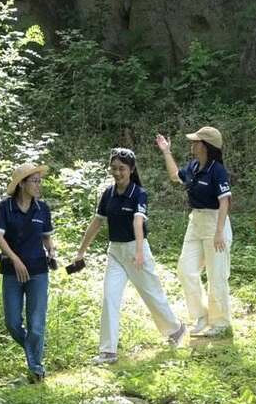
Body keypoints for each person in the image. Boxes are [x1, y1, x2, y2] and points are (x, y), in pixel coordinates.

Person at [69, 148, 187, 363]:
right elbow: (96, 222)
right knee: (109, 297)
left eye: (121, 168)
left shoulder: (138, 193)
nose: (117, 172)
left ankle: (175, 329)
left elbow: (138, 221)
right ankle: (108, 351)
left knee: (152, 294)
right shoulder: (108, 193)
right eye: (113, 168)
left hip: (136, 249)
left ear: (131, 170)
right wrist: (81, 251)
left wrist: (140, 252)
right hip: (115, 252)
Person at [154, 126, 233, 337]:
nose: (193, 144)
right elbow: (174, 176)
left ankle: (220, 323)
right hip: (196, 221)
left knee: (217, 276)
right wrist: (166, 151)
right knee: (185, 269)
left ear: (206, 146)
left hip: (215, 222)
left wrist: (219, 233)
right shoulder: (194, 166)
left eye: (196, 141)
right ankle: (200, 317)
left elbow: (224, 201)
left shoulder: (217, 170)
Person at [0, 163, 59, 382]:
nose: (39, 185)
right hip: (12, 272)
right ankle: (35, 355)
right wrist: (15, 260)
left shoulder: (43, 209)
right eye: (35, 181)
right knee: (12, 323)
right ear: (22, 184)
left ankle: (36, 370)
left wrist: (51, 250)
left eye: (40, 181)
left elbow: (46, 236)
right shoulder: (5, 208)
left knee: (36, 325)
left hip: (39, 272)